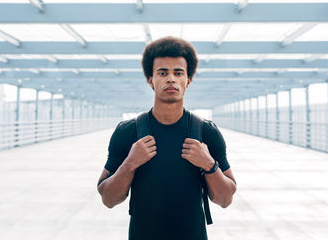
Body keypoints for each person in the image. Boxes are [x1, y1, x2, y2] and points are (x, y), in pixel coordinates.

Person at [97, 36, 237, 240]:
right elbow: (108, 199)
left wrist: (208, 164)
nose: (171, 78)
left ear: (187, 81)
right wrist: (130, 163)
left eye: (178, 73)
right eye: (162, 73)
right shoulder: (128, 132)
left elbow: (225, 199)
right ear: (150, 80)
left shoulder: (206, 132)